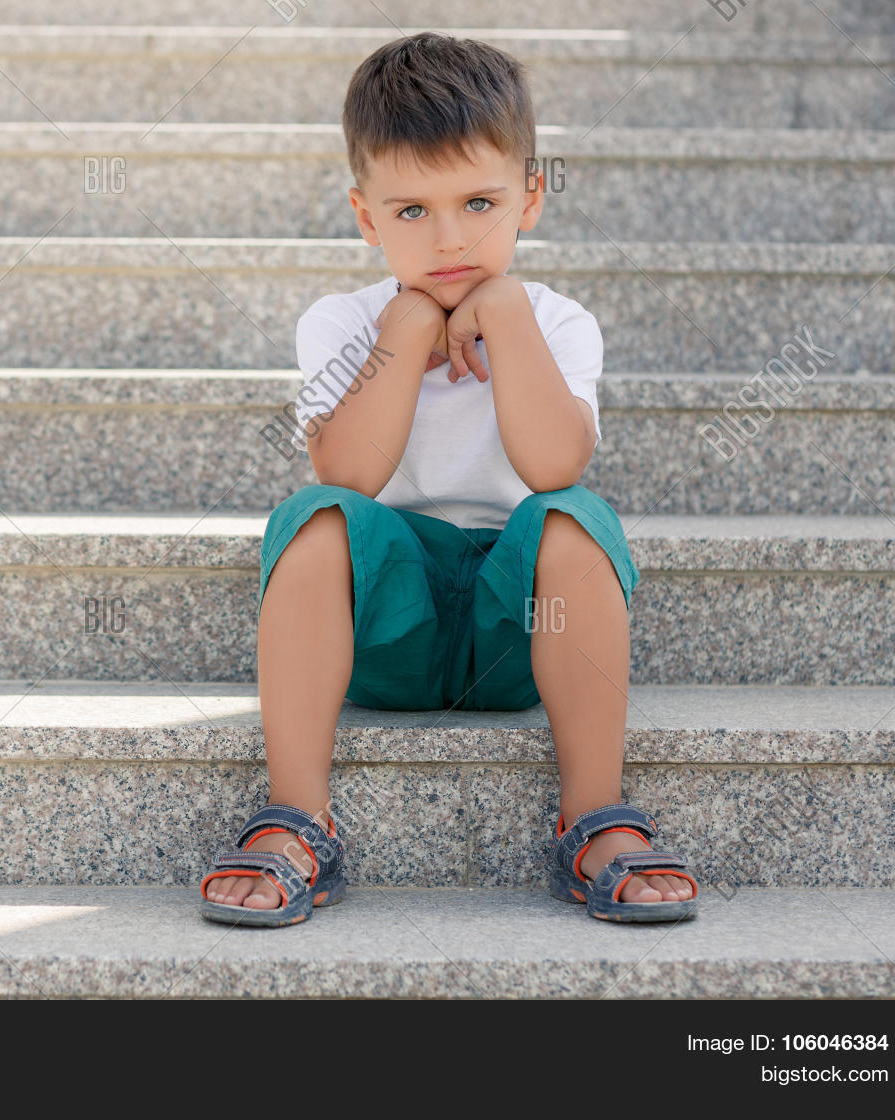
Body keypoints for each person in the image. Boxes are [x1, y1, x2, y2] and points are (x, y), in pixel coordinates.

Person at [200, 31, 698, 927]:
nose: (451, 238)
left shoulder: (557, 319)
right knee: (313, 516)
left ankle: (594, 819)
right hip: (390, 624)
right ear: (365, 218)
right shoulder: (342, 321)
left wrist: (503, 316)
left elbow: (553, 465)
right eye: (412, 212)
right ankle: (296, 824)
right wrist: (405, 327)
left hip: (520, 626)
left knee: (575, 518)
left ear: (530, 199)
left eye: (478, 202)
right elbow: (349, 474)